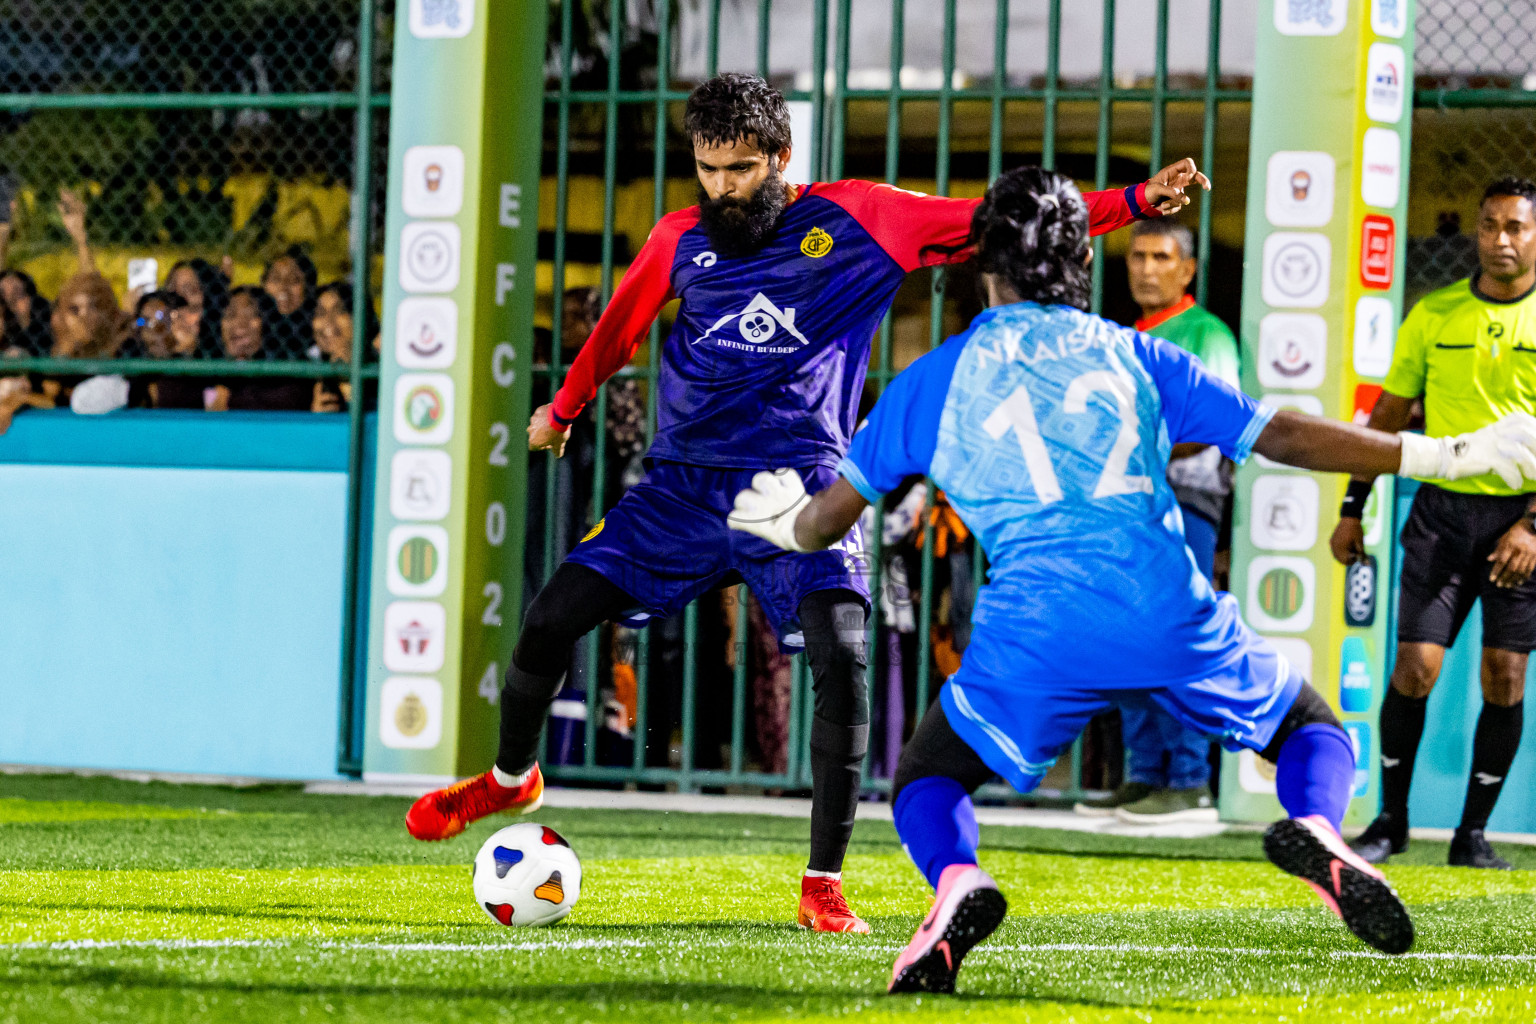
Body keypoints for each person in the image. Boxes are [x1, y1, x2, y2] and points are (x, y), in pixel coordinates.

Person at [404, 71, 1211, 934]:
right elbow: (619, 328)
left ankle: (822, 882)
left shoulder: (862, 217)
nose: (721, 188)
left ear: (782, 159)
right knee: (549, 617)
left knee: (843, 655)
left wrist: (1132, 199)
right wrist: (563, 410)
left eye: (741, 169)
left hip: (800, 487)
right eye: (707, 170)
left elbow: (996, 223)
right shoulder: (680, 236)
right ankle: (509, 778)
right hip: (683, 486)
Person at [727, 167, 1536, 990]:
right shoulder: (1137, 352)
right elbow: (1282, 436)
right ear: (1086, 260)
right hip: (1163, 610)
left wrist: (775, 522)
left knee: (927, 778)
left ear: (980, 261)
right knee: (1311, 729)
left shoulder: (932, 379)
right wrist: (1440, 454)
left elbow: (825, 521)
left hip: (1034, 630)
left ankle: (959, 880)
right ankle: (1321, 831)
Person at [1335, 176, 1536, 871]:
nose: (1501, 239)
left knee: (1505, 678)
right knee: (1415, 669)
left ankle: (1471, 836)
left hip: (1524, 524)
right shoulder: (1434, 314)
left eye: (1515, 226)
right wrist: (1351, 507)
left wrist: (1531, 529)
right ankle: (1390, 822)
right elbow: (1387, 419)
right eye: (1490, 226)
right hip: (1441, 514)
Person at [1076, 218, 1240, 823]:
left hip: (1184, 507)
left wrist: (1126, 456)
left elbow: (1206, 428)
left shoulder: (1206, 333)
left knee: (1177, 635)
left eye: (1160, 257)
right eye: (1137, 256)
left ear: (1187, 269)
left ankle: (1191, 780)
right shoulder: (1120, 336)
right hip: (1124, 508)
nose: (1146, 268)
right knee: (1124, 639)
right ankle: (1144, 775)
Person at [209, 286, 311, 411]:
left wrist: (229, 401)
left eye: (252, 315)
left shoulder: (287, 368)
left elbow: (290, 399)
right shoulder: (209, 367)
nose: (240, 323)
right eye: (230, 315)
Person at [126, 290, 206, 410]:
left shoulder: (203, 367)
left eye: (162, 319)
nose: (155, 331)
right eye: (145, 322)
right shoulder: (136, 376)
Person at [310, 280, 379, 412]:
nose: (328, 321)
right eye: (320, 313)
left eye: (340, 311)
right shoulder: (305, 379)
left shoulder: (381, 375)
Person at [165, 258, 230, 359]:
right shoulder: (167, 318)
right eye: (186, 285)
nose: (193, 287)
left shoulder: (221, 319)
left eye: (197, 282)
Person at [261, 244, 318, 359]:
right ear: (263, 284)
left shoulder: (316, 330)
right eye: (276, 279)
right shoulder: (256, 326)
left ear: (308, 287)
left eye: (294, 280)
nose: (283, 288)